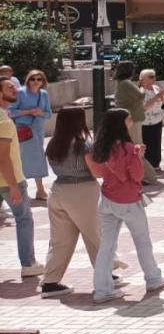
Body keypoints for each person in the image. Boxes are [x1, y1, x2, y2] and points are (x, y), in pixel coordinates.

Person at [87, 108, 164, 303]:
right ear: (121, 124)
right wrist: (138, 156)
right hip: (129, 200)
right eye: (129, 119)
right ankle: (153, 278)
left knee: (107, 245)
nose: (131, 121)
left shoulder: (100, 146)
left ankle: (102, 289)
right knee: (142, 241)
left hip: (107, 198)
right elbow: (137, 175)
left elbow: (98, 172)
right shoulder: (128, 147)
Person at [38, 108, 113, 298]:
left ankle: (50, 282)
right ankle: (105, 274)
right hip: (83, 191)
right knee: (95, 234)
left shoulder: (53, 144)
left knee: (60, 240)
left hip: (58, 191)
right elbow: (96, 172)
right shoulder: (84, 144)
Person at [0, 76, 39, 279]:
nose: (15, 90)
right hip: (9, 180)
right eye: (9, 88)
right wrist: (14, 185)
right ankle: (29, 263)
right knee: (24, 219)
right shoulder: (4, 121)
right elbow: (3, 158)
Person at [11, 70, 52, 201]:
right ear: (28, 80)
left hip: (38, 131)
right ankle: (29, 189)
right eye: (33, 79)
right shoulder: (21, 93)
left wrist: (40, 113)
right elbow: (11, 112)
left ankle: (40, 190)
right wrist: (28, 111)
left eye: (39, 79)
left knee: (38, 159)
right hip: (24, 131)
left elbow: (49, 114)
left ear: (43, 81)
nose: (36, 82)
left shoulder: (44, 94)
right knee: (24, 160)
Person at [138, 68, 164, 169]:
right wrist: (157, 97)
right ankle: (148, 166)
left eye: (154, 76)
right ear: (143, 79)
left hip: (157, 120)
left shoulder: (156, 88)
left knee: (156, 143)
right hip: (145, 122)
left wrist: (162, 97)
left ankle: (156, 164)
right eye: (150, 76)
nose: (153, 78)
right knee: (147, 143)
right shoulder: (141, 91)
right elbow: (144, 107)